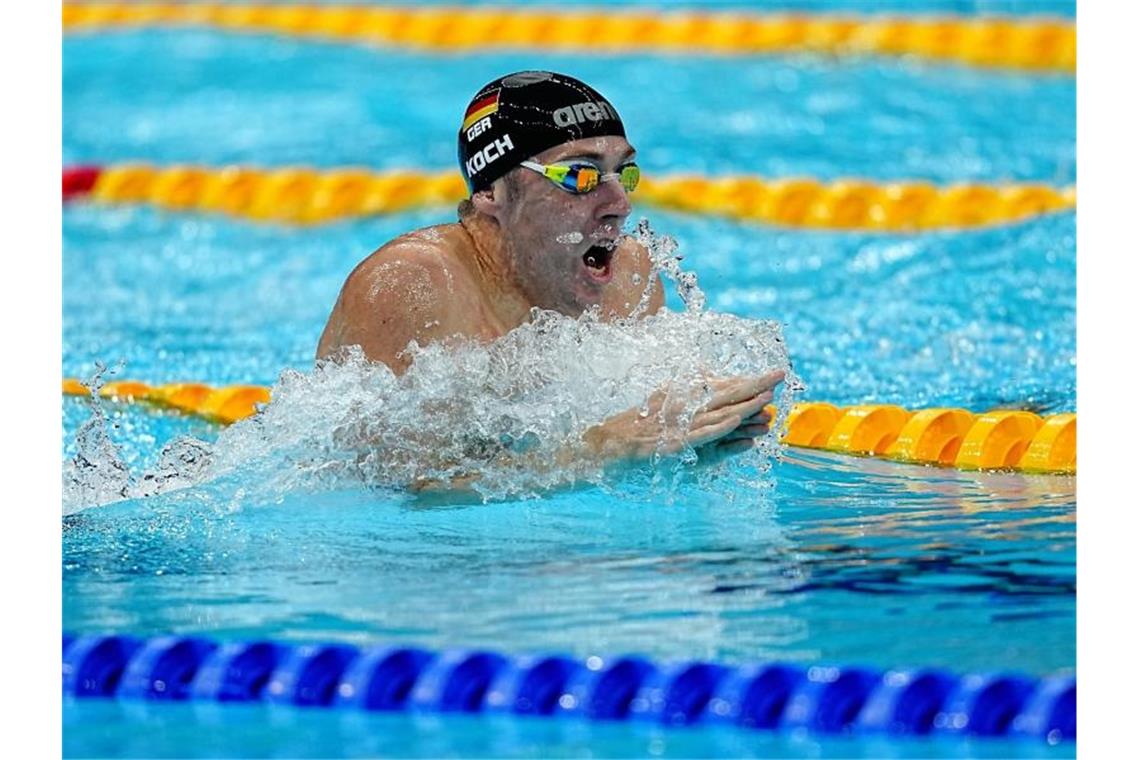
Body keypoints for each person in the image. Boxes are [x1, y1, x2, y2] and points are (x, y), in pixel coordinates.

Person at [317, 70, 783, 465]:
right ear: (491, 193)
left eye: (625, 173)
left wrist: (685, 446)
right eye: (579, 175)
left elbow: (633, 443)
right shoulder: (413, 285)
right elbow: (393, 483)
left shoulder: (629, 277)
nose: (618, 204)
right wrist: (603, 449)